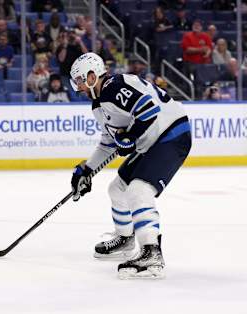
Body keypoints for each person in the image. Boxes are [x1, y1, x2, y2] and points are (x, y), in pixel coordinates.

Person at [69, 52, 191, 279]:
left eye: (79, 80)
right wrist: (86, 169)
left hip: (171, 134)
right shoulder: (99, 105)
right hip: (152, 140)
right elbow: (109, 143)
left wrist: (131, 136)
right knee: (117, 189)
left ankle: (151, 252)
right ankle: (125, 238)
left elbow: (148, 109)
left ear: (92, 76)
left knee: (139, 191)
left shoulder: (113, 88)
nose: (78, 87)